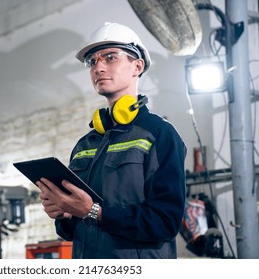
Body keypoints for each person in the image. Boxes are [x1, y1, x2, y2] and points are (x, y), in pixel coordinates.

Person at [36, 22, 186, 259]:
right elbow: (70, 231)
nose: (98, 67)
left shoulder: (160, 134)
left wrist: (94, 211)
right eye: (92, 61)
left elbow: (166, 222)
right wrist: (63, 213)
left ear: (137, 66)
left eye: (110, 57)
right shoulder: (86, 144)